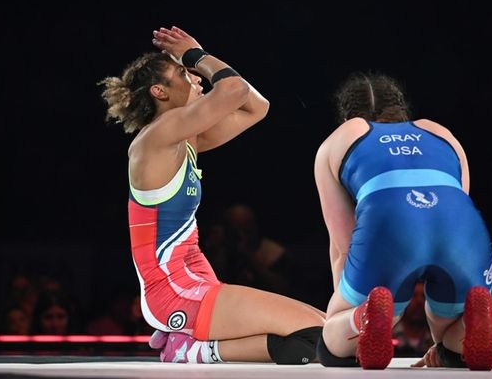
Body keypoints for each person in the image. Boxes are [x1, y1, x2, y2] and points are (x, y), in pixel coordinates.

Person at [99, 26, 325, 364]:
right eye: (184, 74)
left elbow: (256, 106)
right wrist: (195, 53)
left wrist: (195, 57)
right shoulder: (156, 138)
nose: (197, 79)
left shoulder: (187, 141)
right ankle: (191, 350)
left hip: (196, 280)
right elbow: (233, 89)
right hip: (173, 291)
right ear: (160, 92)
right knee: (321, 337)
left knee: (326, 337)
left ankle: (191, 344)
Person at [312, 71, 492, 370]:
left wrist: (347, 301)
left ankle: (363, 318)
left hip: (389, 233)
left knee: (333, 347)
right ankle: (470, 320)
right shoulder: (440, 133)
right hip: (463, 233)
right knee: (450, 338)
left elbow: (342, 247)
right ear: (399, 107)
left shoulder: (341, 139)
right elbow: (453, 210)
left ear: (347, 114)